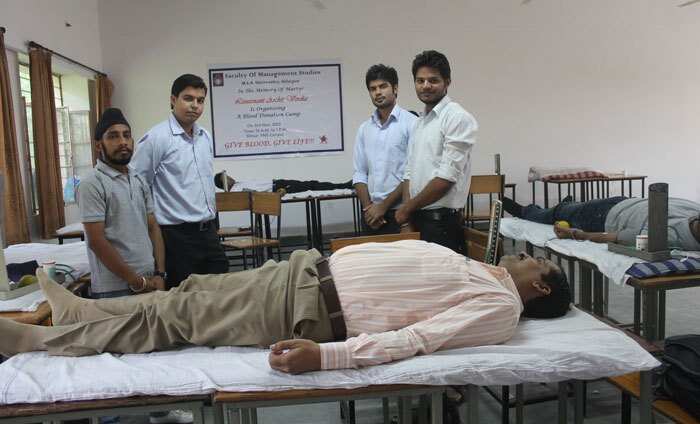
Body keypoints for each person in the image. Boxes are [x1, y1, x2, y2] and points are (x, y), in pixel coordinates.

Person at [0, 240, 571, 375]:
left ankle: (45, 342)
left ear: (540, 290)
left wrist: (327, 357)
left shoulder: (500, 305)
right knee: (184, 292)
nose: (525, 255)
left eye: (536, 262)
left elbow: (418, 340)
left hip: (312, 308)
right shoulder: (482, 268)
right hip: (304, 271)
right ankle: (79, 314)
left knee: (177, 317)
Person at [130, 74, 228, 289]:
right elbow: (136, 186)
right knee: (184, 299)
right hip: (176, 237)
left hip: (209, 232)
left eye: (200, 100)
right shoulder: (157, 138)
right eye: (188, 98)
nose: (195, 105)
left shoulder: (204, 137)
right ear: (173, 100)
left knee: (220, 294)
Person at [395, 51, 478, 253]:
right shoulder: (419, 122)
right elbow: (409, 172)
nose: (425, 86)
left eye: (433, 80)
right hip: (417, 219)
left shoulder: (457, 117)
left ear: (447, 82)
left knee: (443, 275)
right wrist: (406, 219)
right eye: (420, 80)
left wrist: (406, 209)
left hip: (442, 224)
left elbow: (446, 179)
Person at [78, 108, 166, 297]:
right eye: (113, 136)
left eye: (126, 135)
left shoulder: (138, 179)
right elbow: (96, 241)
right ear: (98, 145)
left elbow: (153, 228)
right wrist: (136, 281)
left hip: (149, 282)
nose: (123, 142)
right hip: (114, 290)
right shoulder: (92, 183)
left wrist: (160, 273)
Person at [353, 64, 417, 235]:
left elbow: (411, 173)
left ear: (395, 88)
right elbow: (359, 173)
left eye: (383, 86)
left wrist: (383, 206)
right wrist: (368, 208)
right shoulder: (364, 129)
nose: (378, 92)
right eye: (373, 89)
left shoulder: (412, 123)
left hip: (402, 213)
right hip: (371, 215)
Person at [503, 196, 700, 251]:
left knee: (557, 213)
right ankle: (570, 206)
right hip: (625, 202)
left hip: (602, 217)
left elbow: (615, 238)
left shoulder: (668, 237)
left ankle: (526, 212)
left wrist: (575, 234)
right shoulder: (695, 212)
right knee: (569, 209)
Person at [214, 175, 352, 194]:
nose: (230, 177)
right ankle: (343, 186)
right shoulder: (236, 191)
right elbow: (255, 195)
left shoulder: (238, 184)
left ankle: (343, 185)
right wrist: (277, 193)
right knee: (310, 185)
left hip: (277, 183)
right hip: (279, 189)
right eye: (226, 178)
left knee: (310, 184)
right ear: (224, 183)